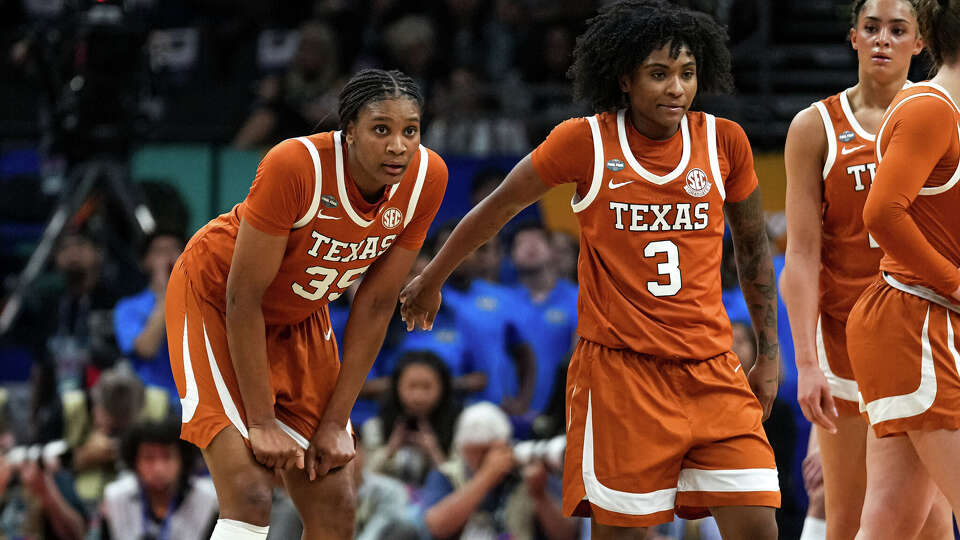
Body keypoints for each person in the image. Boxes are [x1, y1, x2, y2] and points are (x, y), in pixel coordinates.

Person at [400, 1, 782, 537]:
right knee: (623, 533)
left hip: (712, 369)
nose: (676, 88)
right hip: (623, 375)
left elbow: (751, 247)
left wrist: (768, 353)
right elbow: (497, 208)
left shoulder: (725, 140)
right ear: (624, 78)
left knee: (759, 526)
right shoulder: (586, 140)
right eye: (659, 74)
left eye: (687, 74)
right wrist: (432, 278)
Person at [164, 68, 448, 540]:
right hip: (217, 297)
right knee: (250, 492)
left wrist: (337, 422)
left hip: (300, 313)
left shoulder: (426, 178)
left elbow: (376, 304)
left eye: (410, 130)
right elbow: (243, 296)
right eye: (381, 129)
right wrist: (261, 422)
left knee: (336, 503)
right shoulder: (296, 164)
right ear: (349, 130)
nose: (398, 145)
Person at [780, 1, 954, 538]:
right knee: (847, 513)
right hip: (853, 337)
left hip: (921, 326)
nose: (882, 40)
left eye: (897, 29)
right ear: (852, 37)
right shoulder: (816, 126)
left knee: (917, 523)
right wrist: (806, 362)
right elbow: (802, 254)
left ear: (921, 42)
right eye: (872, 28)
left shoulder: (933, 111)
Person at [845, 0, 960, 537]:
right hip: (918, 320)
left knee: (890, 523)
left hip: (917, 321)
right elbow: (881, 212)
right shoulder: (931, 109)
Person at [419, 401, 579, 540]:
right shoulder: (447, 475)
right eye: (474, 451)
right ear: (461, 449)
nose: (481, 458)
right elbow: (436, 526)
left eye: (488, 449)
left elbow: (566, 535)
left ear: (505, 444)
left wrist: (540, 495)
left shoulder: (528, 468)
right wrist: (487, 476)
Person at [99, 418, 218, 540]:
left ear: (182, 459)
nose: (158, 469)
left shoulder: (208, 501)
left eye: (167, 457)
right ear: (134, 462)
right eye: (149, 458)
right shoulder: (116, 498)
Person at [361, 351, 462, 487]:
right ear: (397, 387)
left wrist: (434, 452)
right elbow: (363, 480)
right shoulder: (375, 425)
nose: (418, 396)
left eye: (427, 387)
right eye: (412, 386)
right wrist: (390, 449)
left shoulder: (460, 424)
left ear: (443, 388)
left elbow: (462, 483)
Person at [113, 231, 185, 408]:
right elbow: (146, 348)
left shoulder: (201, 301)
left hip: (193, 405)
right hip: (148, 405)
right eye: (160, 252)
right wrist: (166, 294)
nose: (168, 257)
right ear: (145, 261)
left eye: (174, 250)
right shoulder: (128, 307)